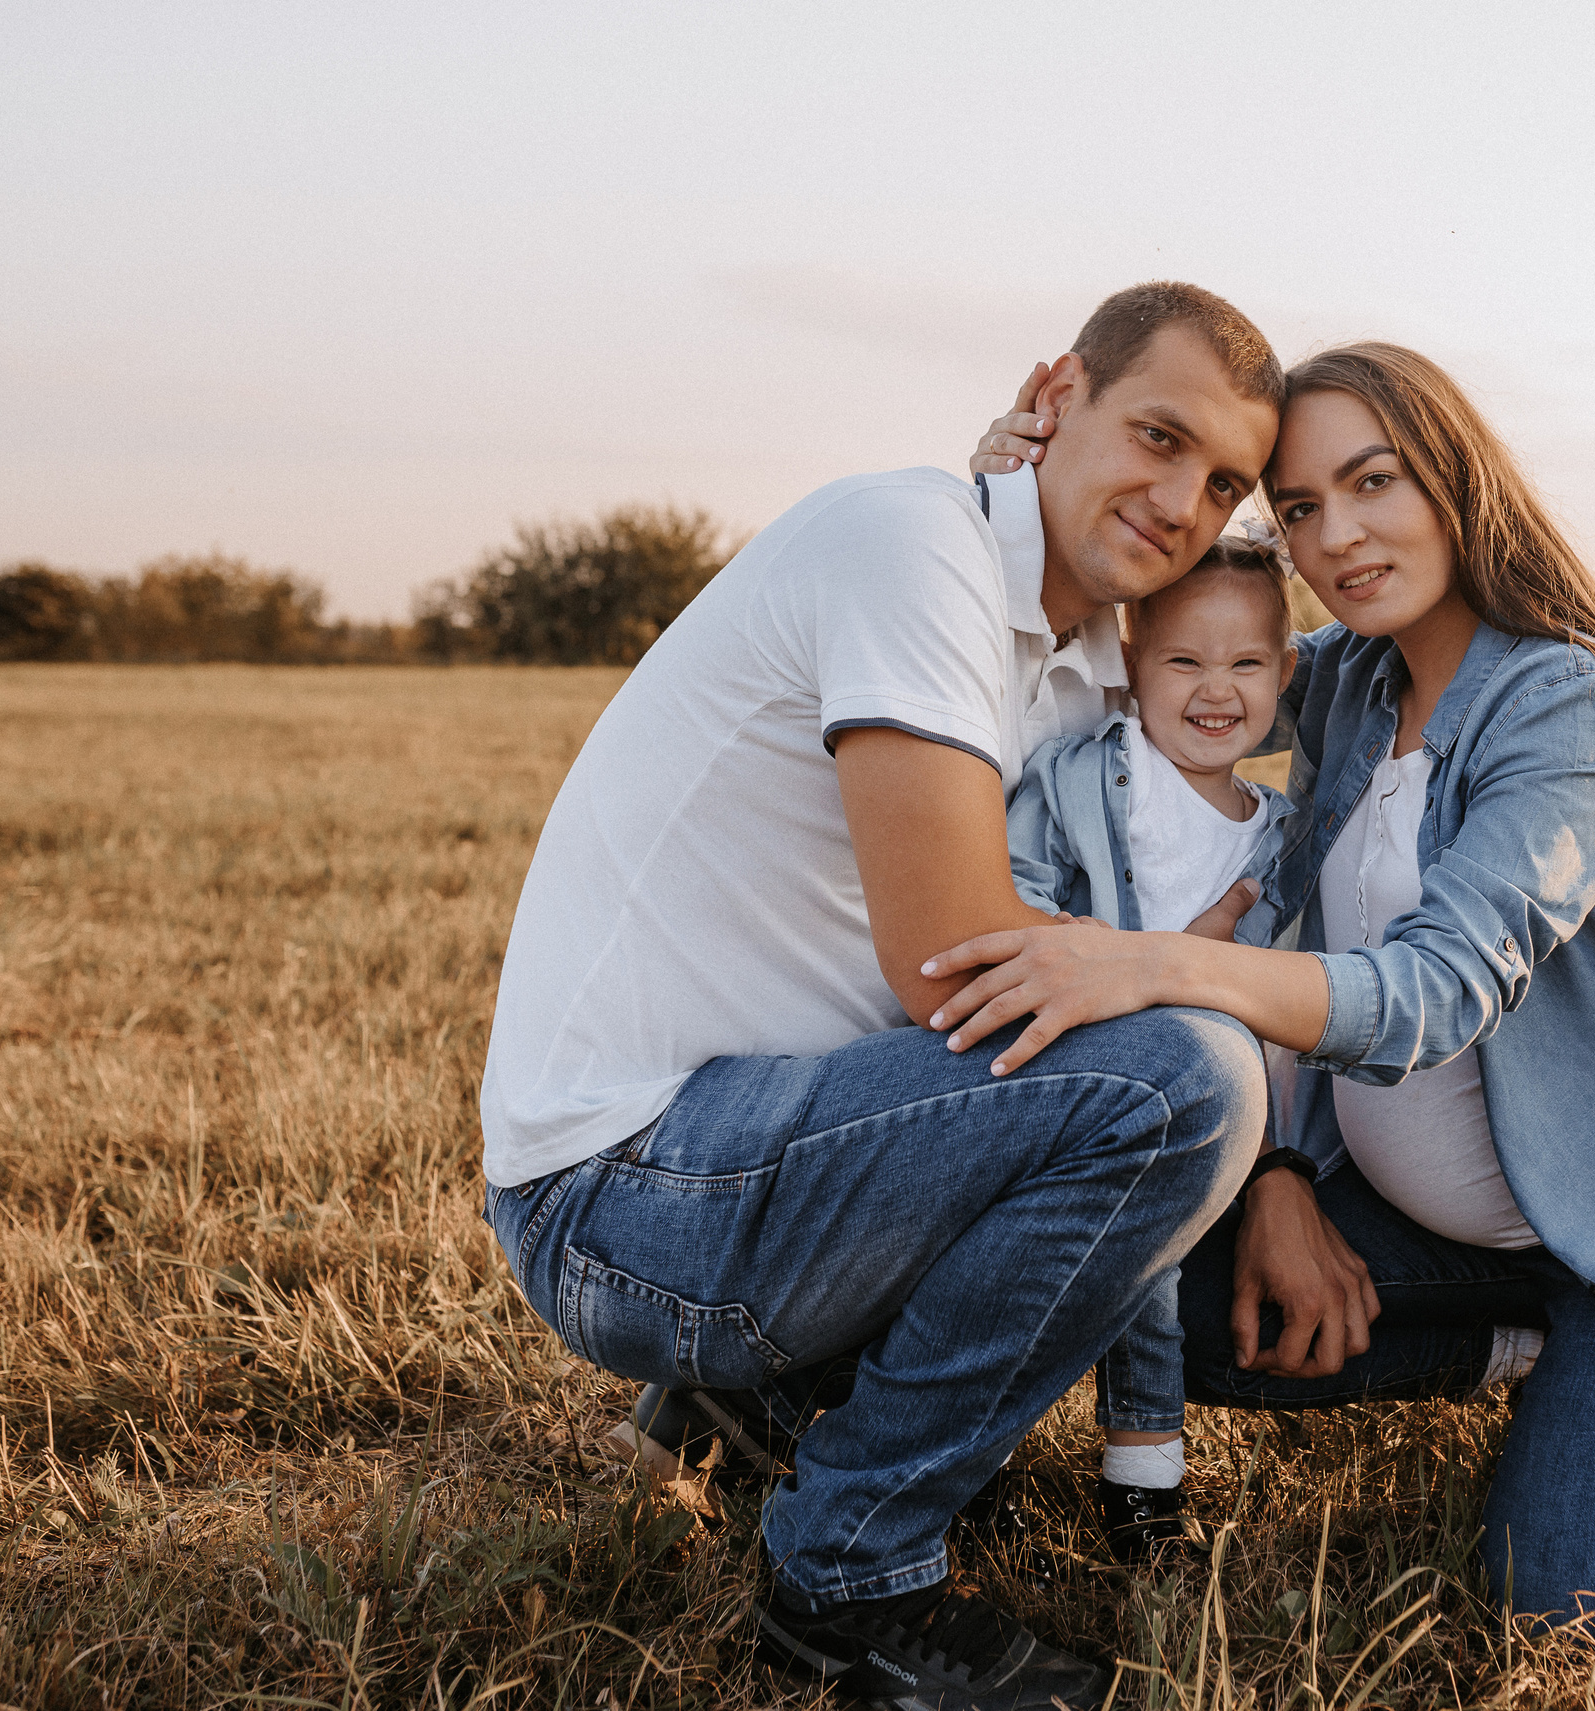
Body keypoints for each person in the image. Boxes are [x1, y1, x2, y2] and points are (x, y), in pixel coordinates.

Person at [948, 342, 1595, 1645]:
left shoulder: (1564, 698)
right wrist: (1030, 500)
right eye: (1296, 508)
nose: (1335, 534)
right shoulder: (1352, 678)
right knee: (1173, 1285)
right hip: (1466, 1239)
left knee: (1584, 1622)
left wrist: (1153, 961)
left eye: (1373, 481)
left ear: (1455, 478)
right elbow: (1169, 654)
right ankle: (1523, 1353)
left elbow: (1430, 995)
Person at [479, 281, 1281, 1707]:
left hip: (744, 1146)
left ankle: (761, 1399)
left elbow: (1286, 665)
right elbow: (954, 960)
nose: (1180, 499)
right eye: (1156, 436)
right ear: (1058, 394)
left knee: (1129, 1053)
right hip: (621, 1189)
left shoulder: (1089, 653)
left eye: (1222, 480)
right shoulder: (910, 549)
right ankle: (849, 1573)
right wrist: (1183, 972)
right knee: (1183, 1080)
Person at [1001, 535, 1302, 1560]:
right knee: (1078, 1265)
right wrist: (1148, 960)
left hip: (1217, 1103)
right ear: (1132, 659)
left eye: (1246, 664)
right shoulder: (1085, 775)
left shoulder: (1279, 836)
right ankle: (1070, 1477)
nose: (1215, 690)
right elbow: (1016, 893)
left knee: (1154, 1271)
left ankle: (1136, 1486)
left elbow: (1278, 993)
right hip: (1079, 1070)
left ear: (1286, 672)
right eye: (1183, 661)